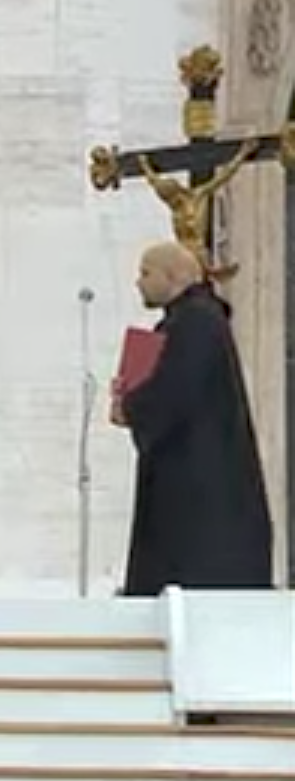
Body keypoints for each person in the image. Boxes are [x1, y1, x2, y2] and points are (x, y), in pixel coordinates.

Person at [110, 241, 272, 596]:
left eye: (146, 273)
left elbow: (175, 390)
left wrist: (130, 405)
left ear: (173, 276)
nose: (139, 282)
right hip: (193, 493)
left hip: (200, 509)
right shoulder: (189, 321)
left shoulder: (197, 322)